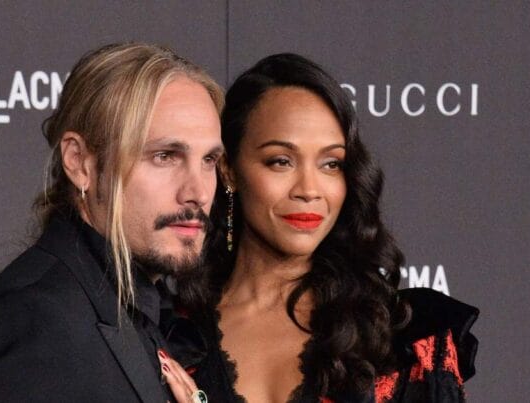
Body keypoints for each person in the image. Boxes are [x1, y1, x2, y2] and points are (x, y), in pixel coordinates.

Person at [166, 54, 479, 402]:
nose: (309, 190)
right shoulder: (171, 335)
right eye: (281, 161)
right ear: (228, 169)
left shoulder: (407, 337)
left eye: (331, 164)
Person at [0, 43, 223, 403]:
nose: (198, 192)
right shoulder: (30, 324)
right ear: (79, 162)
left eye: (209, 160)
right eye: (165, 156)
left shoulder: (136, 308)